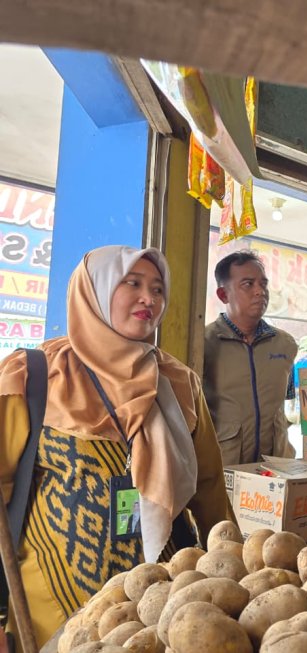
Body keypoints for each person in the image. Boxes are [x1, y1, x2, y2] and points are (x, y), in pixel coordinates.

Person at [0, 245, 228, 648]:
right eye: (133, 283)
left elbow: (209, 492)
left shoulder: (180, 384)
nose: (150, 299)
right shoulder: (35, 375)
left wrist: (231, 572)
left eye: (158, 289)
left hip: (158, 607)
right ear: (94, 291)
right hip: (50, 609)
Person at [203, 250, 298, 465]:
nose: (260, 292)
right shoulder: (204, 344)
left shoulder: (286, 345)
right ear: (223, 295)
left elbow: (284, 406)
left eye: (263, 284)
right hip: (224, 472)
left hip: (276, 471)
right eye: (248, 284)